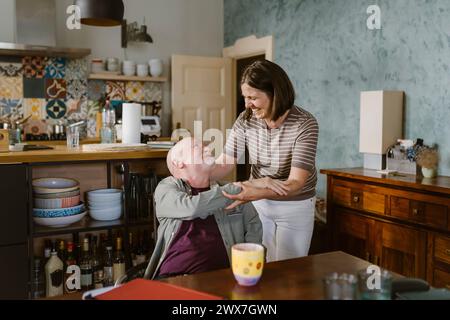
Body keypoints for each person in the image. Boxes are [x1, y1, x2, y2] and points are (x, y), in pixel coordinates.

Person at [211, 59, 319, 262]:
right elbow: (225, 161)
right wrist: (196, 173)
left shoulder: (305, 123)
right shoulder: (246, 119)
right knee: (262, 267)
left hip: (295, 206)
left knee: (290, 273)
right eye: (245, 97)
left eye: (253, 97)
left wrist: (252, 192)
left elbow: (296, 183)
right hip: (260, 205)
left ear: (275, 94)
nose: (247, 104)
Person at [143, 137, 262, 280]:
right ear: (178, 162)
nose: (209, 149)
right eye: (196, 147)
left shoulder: (231, 189)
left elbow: (253, 225)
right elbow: (192, 207)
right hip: (175, 280)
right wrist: (239, 188)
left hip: (224, 280)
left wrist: (249, 266)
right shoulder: (166, 188)